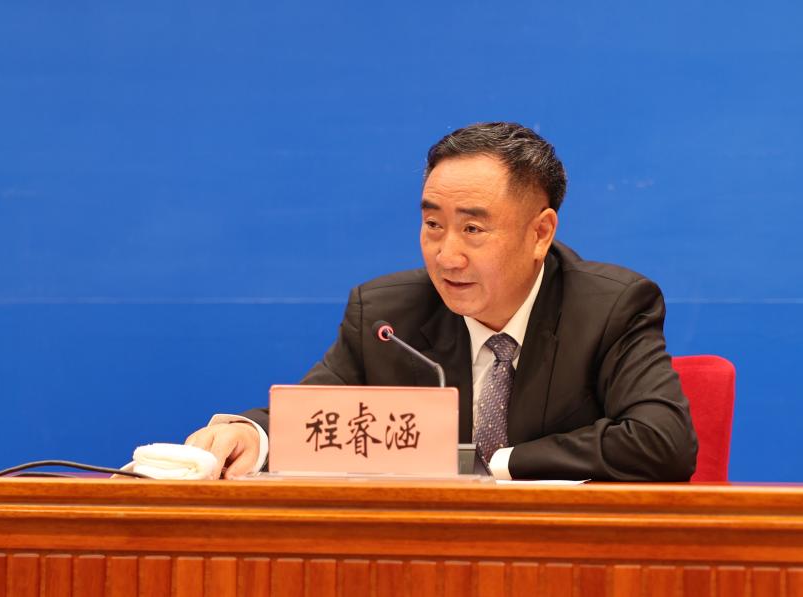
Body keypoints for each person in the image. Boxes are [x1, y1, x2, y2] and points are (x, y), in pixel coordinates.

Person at [185, 122, 698, 481]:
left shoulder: (610, 307)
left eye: (473, 229)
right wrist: (253, 436)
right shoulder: (386, 315)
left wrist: (497, 463)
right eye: (433, 224)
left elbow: (661, 442)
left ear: (540, 233)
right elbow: (315, 421)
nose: (447, 256)